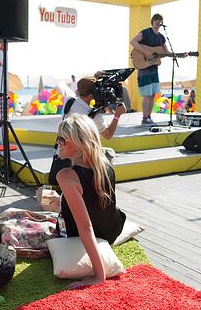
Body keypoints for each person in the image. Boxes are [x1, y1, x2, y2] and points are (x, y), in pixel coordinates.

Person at [55, 114, 126, 289]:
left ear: (79, 143)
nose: (57, 142)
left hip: (85, 234)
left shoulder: (66, 176)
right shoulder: (105, 164)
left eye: (62, 139)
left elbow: (86, 227)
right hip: (113, 228)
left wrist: (99, 275)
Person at [130, 13, 168, 126]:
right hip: (144, 67)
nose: (158, 22)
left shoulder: (161, 37)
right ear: (152, 21)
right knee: (147, 94)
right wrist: (145, 52)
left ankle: (149, 117)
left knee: (153, 94)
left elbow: (166, 52)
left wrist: (181, 55)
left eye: (160, 20)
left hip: (154, 68)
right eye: (156, 20)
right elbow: (133, 42)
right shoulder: (146, 32)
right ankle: (144, 118)